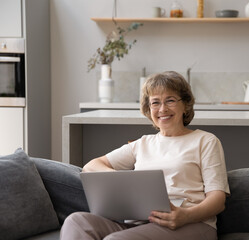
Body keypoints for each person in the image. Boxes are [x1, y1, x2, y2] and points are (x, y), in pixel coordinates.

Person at [60, 71, 230, 240]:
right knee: (76, 222)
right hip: (140, 223)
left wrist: (185, 215)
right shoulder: (142, 144)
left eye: (170, 100)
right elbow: (91, 166)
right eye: (155, 102)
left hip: (191, 225)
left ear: (185, 105)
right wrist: (120, 179)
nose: (162, 109)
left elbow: (217, 199)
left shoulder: (205, 141)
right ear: (148, 109)